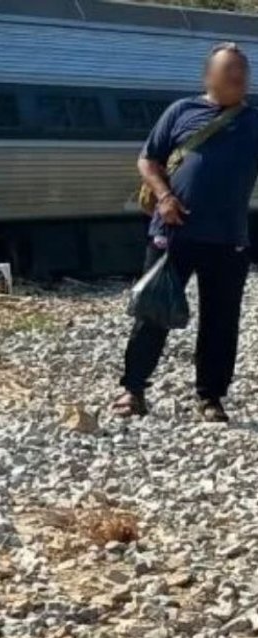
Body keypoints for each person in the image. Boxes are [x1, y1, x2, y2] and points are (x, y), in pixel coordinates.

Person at [114, 43, 258, 423]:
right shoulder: (181, 111)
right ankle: (133, 389)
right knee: (152, 310)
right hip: (173, 232)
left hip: (229, 238)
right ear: (208, 75)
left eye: (243, 70)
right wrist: (163, 196)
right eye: (230, 70)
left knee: (221, 320)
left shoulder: (253, 122)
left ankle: (211, 397)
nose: (239, 77)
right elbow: (148, 158)